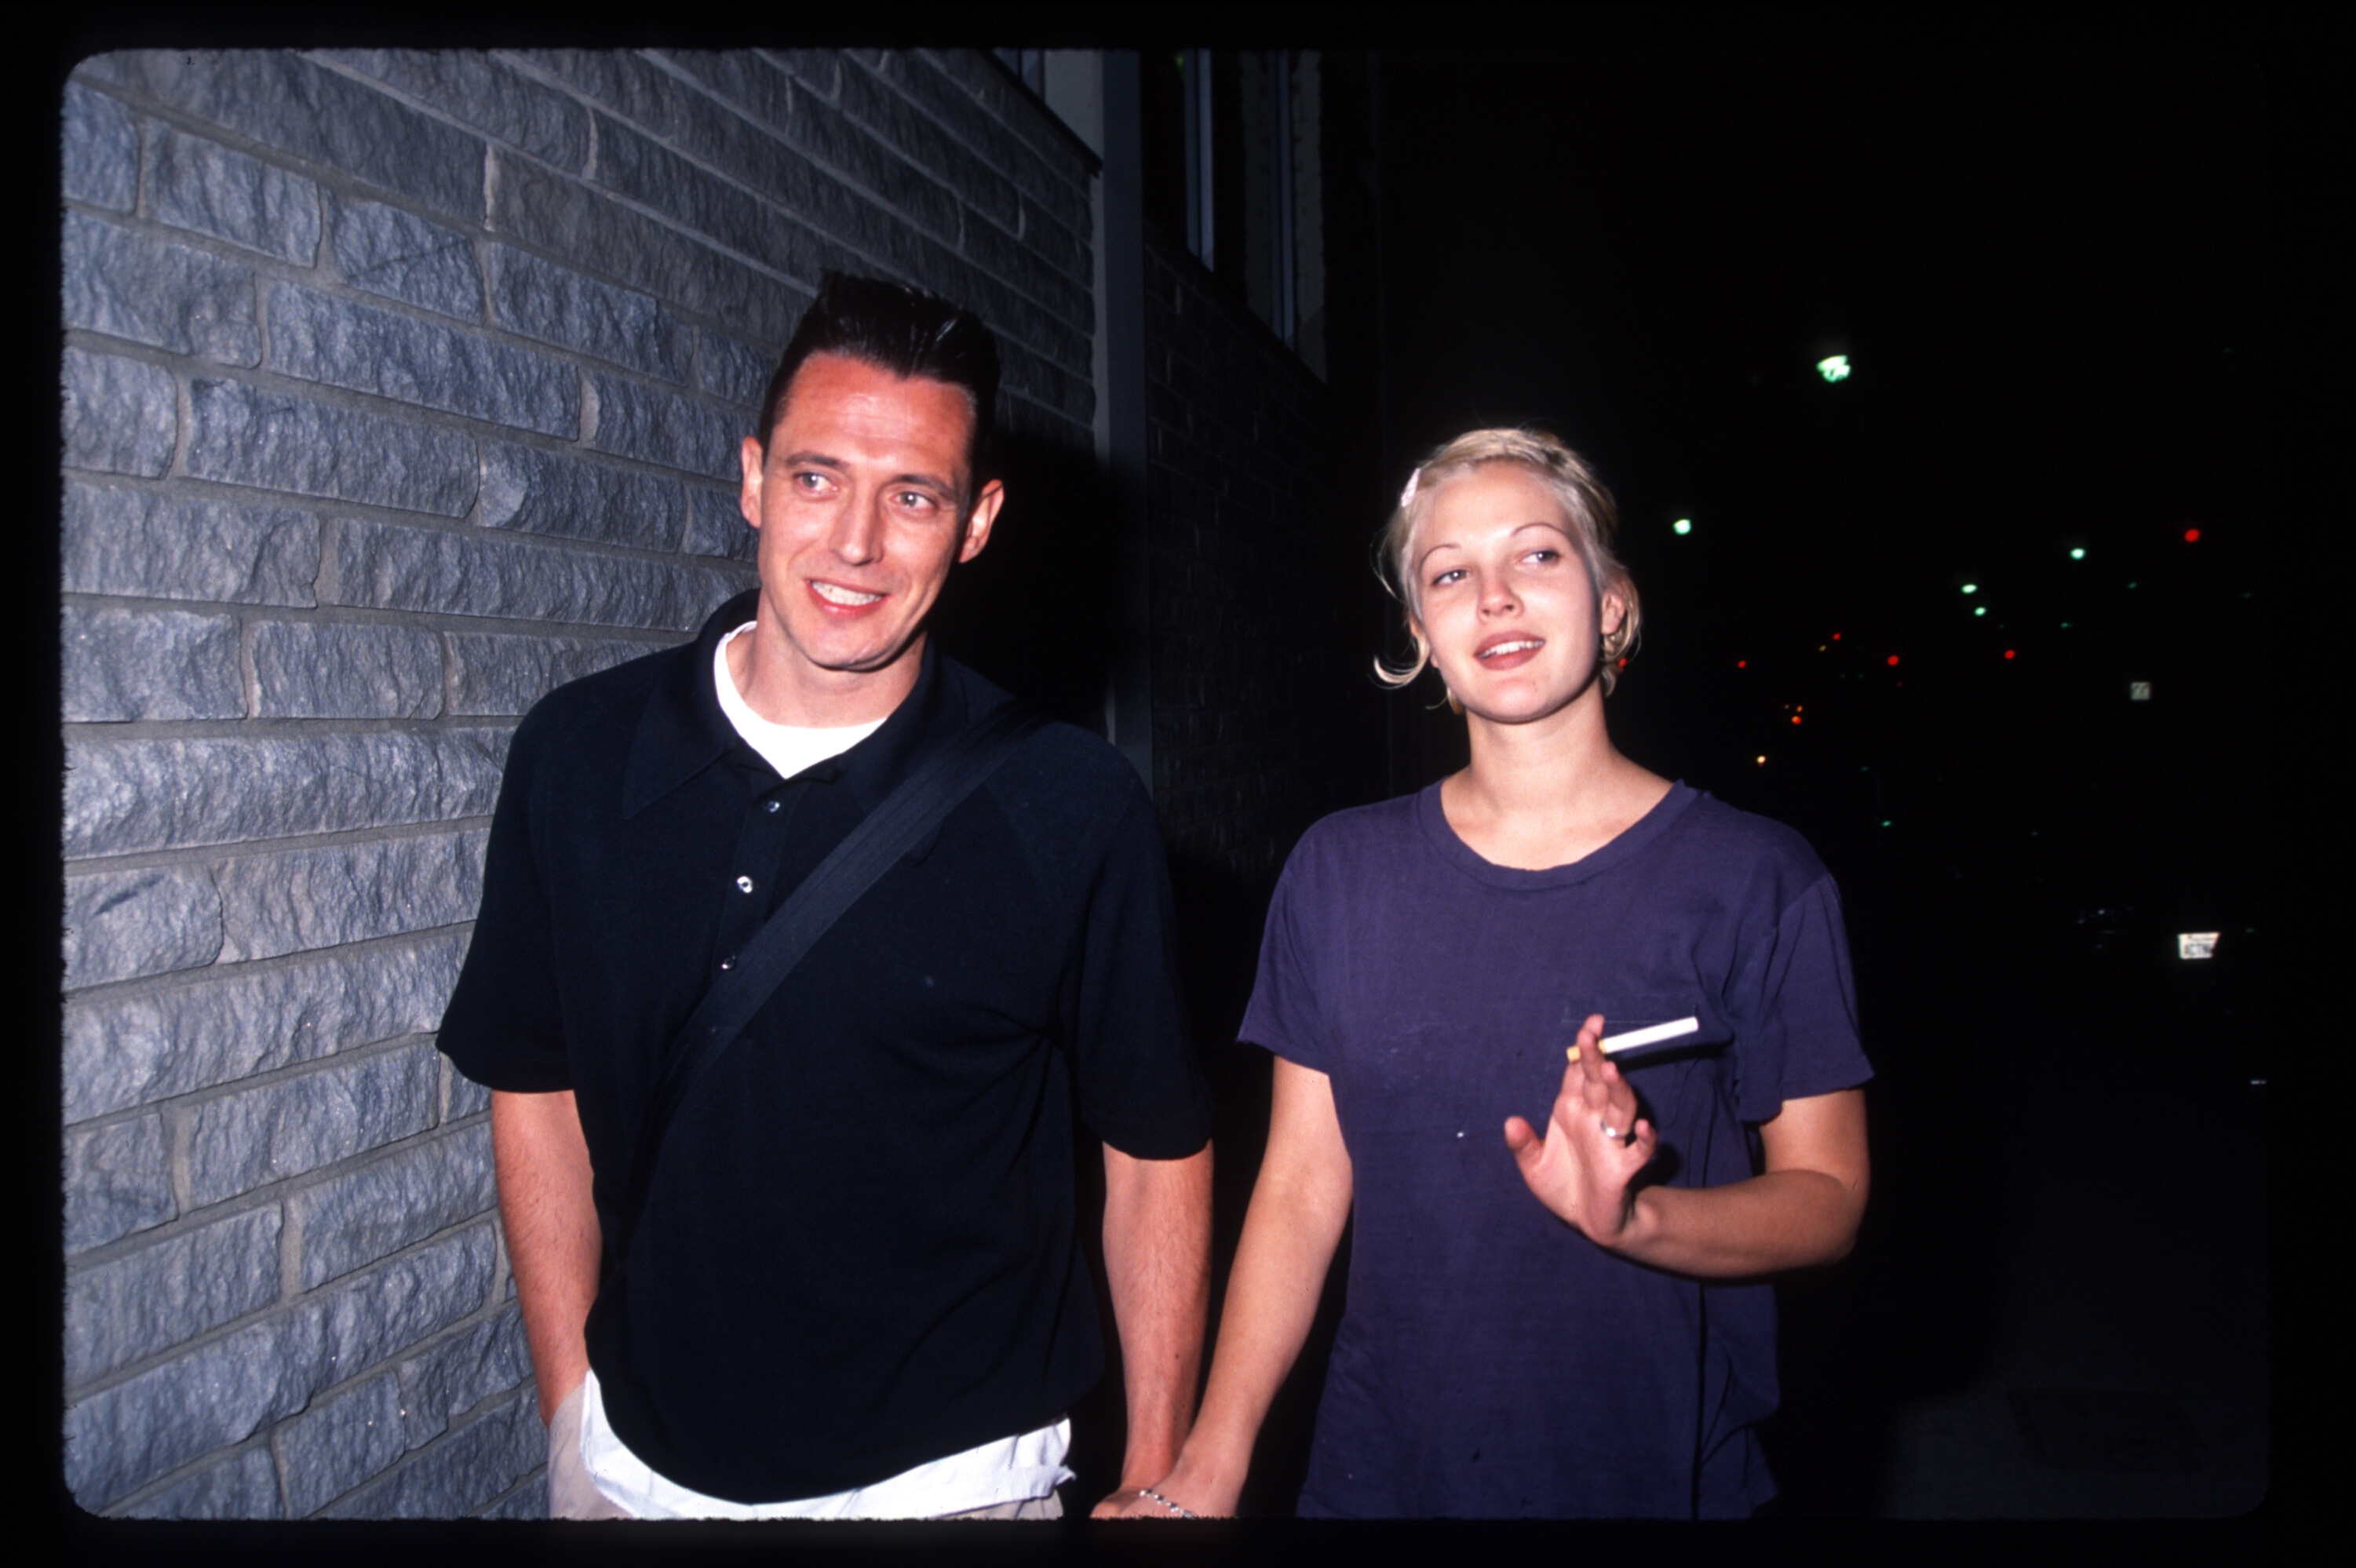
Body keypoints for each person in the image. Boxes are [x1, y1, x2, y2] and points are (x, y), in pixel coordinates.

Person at [438, 273, 1214, 1520]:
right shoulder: (577, 754)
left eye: (912, 496)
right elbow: (534, 1081)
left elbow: (1154, 1147)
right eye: (816, 477)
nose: (855, 543)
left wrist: (1157, 1476)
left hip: (959, 1484)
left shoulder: (1070, 802)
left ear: (976, 521)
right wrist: (569, 1409)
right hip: (640, 1473)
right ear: (753, 478)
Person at [1111, 428, 1871, 1520]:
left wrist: (1637, 1219)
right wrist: (1208, 1468)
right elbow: (1300, 1188)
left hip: (1657, 1477)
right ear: (1420, 635)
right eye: (1450, 574)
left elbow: (1829, 1199)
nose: (1496, 598)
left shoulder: (1757, 877)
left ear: (1613, 603)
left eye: (1538, 555)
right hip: (1381, 1479)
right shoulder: (1339, 871)